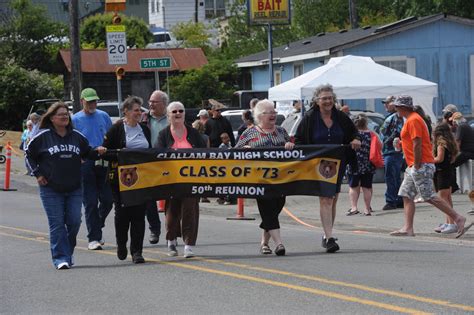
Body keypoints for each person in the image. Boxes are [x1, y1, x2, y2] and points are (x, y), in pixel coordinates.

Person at [26, 102, 106, 269]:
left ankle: (67, 251)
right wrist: (38, 174)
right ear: (52, 118)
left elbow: (87, 152)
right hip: (50, 188)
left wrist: (97, 151)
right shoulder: (42, 136)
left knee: (74, 221)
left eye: (66, 114)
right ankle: (60, 258)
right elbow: (29, 155)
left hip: (74, 187)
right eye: (60, 114)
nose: (64, 117)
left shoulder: (76, 136)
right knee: (57, 224)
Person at [389, 95, 471, 238]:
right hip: (414, 164)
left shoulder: (413, 120)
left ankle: (458, 218)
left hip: (420, 164)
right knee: (406, 194)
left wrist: (418, 164)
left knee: (429, 196)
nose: (395, 109)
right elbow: (412, 143)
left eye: (396, 106)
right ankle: (408, 228)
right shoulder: (411, 119)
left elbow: (417, 143)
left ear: (403, 107)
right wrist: (401, 145)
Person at [295, 84, 361, 253]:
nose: (328, 101)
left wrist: (355, 140)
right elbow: (300, 140)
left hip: (338, 163)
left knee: (333, 200)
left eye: (330, 98)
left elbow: (354, 133)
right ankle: (330, 237)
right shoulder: (310, 118)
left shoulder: (340, 117)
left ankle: (327, 235)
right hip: (318, 165)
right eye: (324, 98)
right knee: (326, 199)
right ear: (317, 101)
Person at [235, 99, 295, 256]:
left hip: (281, 179)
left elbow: (291, 148)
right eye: (270, 112)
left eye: (274, 112)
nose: (274, 115)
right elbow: (235, 152)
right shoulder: (249, 132)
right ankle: (279, 243)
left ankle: (264, 243)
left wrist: (289, 146)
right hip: (259, 180)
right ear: (260, 115)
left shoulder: (281, 131)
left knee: (275, 209)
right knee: (267, 208)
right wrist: (245, 149)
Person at [102, 96, 151, 263]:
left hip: (141, 177)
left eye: (140, 110)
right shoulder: (116, 129)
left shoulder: (145, 129)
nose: (139, 113)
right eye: (136, 110)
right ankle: (121, 244)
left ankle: (137, 251)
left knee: (139, 214)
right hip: (120, 178)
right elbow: (105, 152)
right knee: (122, 213)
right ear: (126, 111)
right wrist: (121, 153)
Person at [157, 101, 207, 258]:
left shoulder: (193, 133)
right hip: (171, 180)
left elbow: (205, 154)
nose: (178, 114)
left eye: (180, 111)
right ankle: (171, 241)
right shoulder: (163, 134)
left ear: (184, 114)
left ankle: (188, 245)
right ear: (168, 115)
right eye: (174, 112)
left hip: (192, 179)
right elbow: (158, 155)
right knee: (172, 212)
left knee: (190, 211)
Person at [72, 88, 113, 250]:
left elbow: (110, 136)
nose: (92, 104)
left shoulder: (103, 116)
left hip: (103, 160)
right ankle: (94, 237)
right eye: (89, 101)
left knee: (108, 200)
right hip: (85, 161)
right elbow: (72, 140)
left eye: (94, 101)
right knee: (90, 201)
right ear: (82, 101)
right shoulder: (75, 119)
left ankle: (97, 224)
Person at [140, 90, 169, 245]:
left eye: (154, 102)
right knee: (149, 199)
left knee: (172, 196)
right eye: (150, 101)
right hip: (148, 162)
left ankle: (172, 230)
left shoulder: (172, 118)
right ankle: (154, 228)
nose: (150, 104)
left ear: (164, 104)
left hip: (169, 163)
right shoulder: (144, 119)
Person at [346, 114, 376, 216]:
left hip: (354, 163)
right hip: (368, 164)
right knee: (367, 187)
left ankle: (354, 207)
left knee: (353, 186)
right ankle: (367, 209)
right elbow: (379, 147)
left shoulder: (352, 135)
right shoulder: (372, 134)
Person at [432, 123, 459, 234]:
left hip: (442, 172)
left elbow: (439, 158)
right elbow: (452, 158)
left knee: (443, 200)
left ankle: (451, 223)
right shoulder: (450, 143)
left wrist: (429, 159)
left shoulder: (441, 144)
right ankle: (449, 222)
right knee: (447, 199)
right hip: (448, 171)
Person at [379, 95, 404, 210]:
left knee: (391, 176)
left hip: (392, 151)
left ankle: (391, 200)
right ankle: (398, 199)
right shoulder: (392, 116)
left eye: (387, 102)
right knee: (395, 176)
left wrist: (386, 142)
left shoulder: (395, 117)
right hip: (390, 150)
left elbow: (397, 132)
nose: (385, 105)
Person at [192, 119, 211, 203]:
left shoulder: (191, 136)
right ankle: (204, 196)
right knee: (203, 179)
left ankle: (196, 195)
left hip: (194, 160)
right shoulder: (206, 137)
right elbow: (208, 149)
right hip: (204, 160)